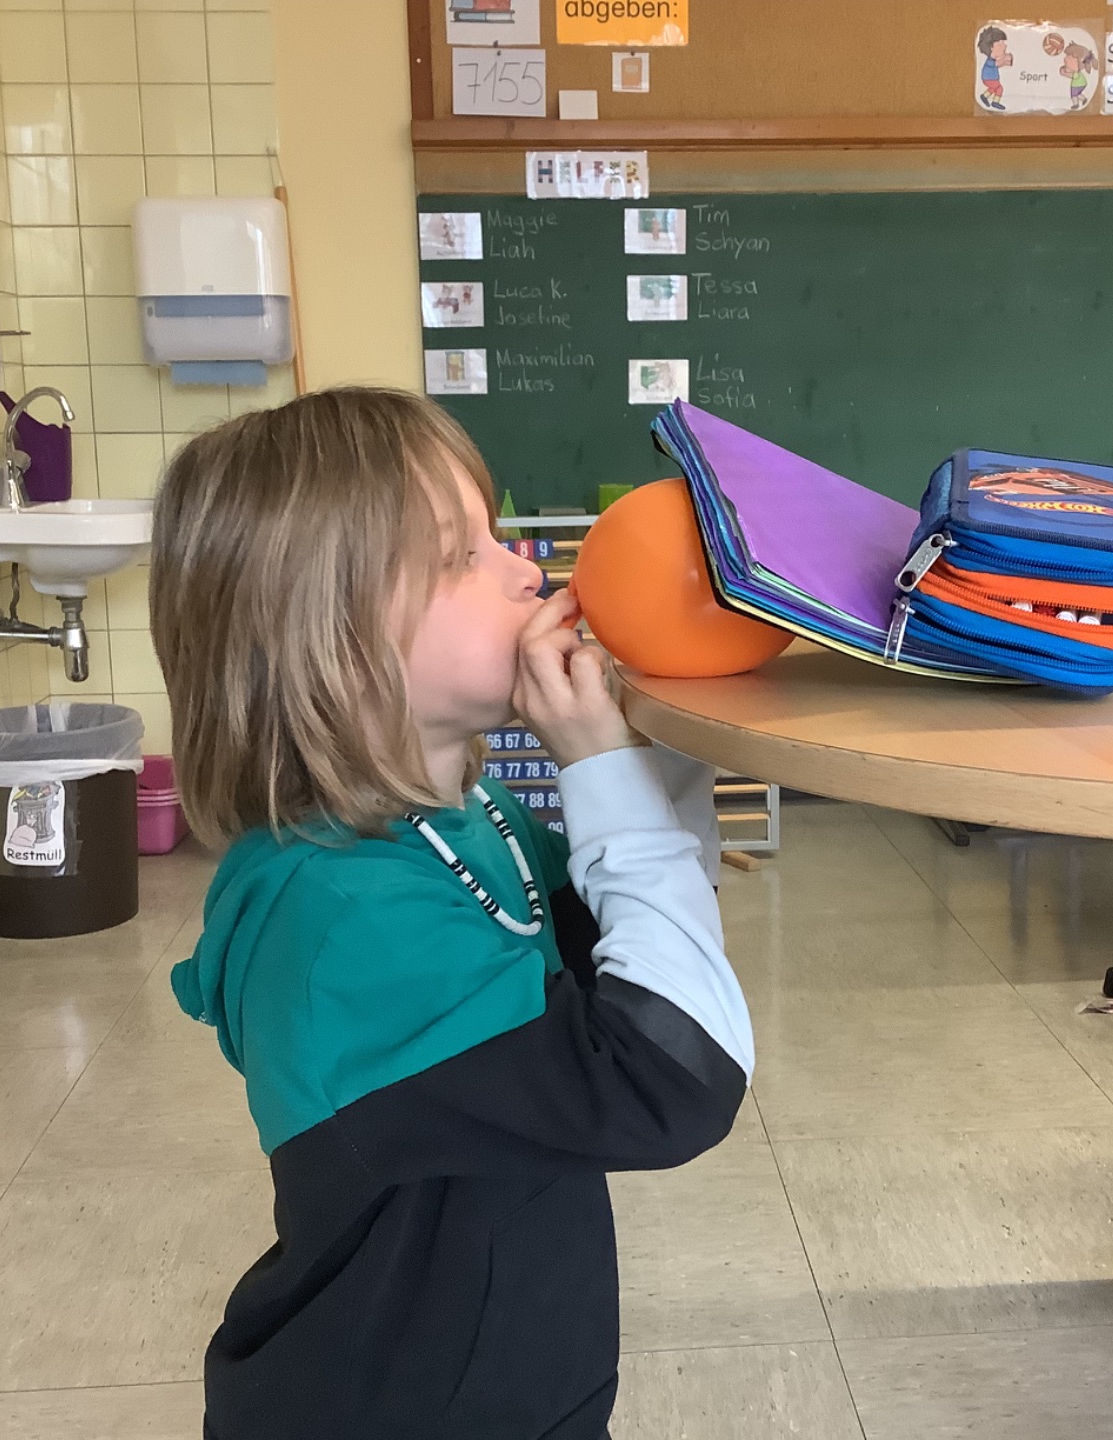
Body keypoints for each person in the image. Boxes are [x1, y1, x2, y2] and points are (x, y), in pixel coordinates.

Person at [149, 387, 754, 1440]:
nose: (524, 567)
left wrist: (666, 732)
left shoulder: (468, 816)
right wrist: (604, 773)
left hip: (513, 1390)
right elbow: (676, 1076)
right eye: (458, 554)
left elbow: (649, 961)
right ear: (328, 637)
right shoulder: (340, 920)